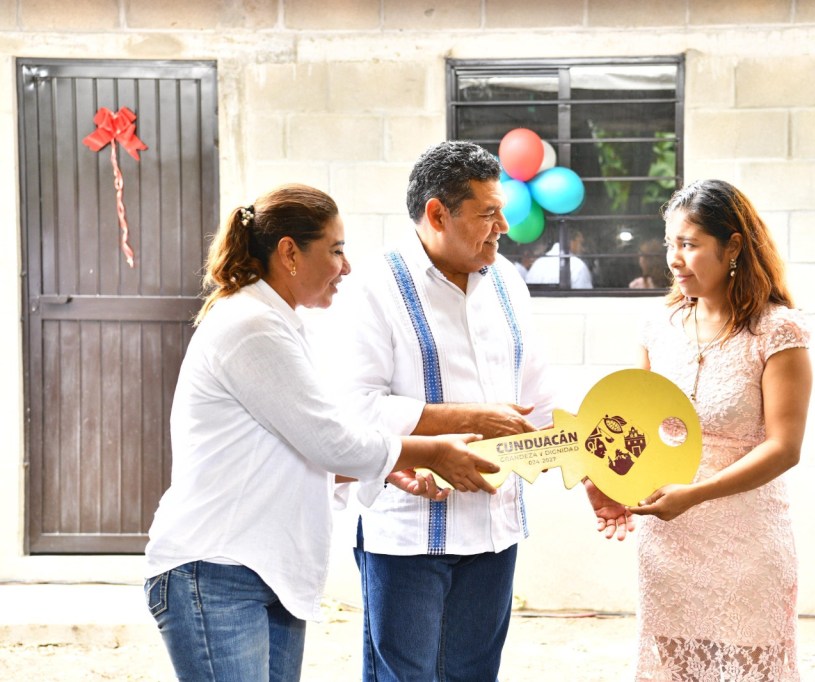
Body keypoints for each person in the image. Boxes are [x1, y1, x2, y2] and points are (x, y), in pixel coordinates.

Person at [143, 184, 498, 682]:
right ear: (289, 252)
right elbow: (331, 441)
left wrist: (389, 467)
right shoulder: (251, 326)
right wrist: (433, 451)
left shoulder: (281, 324)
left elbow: (292, 453)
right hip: (217, 569)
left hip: (260, 570)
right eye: (335, 250)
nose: (346, 267)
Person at [333, 141, 557, 682]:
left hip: (495, 527)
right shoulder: (373, 287)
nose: (504, 225)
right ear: (438, 214)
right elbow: (356, 409)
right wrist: (475, 418)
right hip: (409, 532)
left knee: (474, 675)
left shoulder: (507, 281)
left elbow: (537, 392)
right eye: (487, 213)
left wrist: (581, 461)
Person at [586, 179, 813, 681]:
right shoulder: (656, 327)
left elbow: (784, 447)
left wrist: (694, 494)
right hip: (667, 544)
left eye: (688, 244)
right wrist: (602, 480)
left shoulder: (779, 331)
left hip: (748, 544)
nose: (673, 258)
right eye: (670, 243)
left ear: (732, 246)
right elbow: (630, 428)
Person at [525, 227, 593, 288]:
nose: (582, 249)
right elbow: (584, 298)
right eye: (581, 243)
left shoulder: (537, 264)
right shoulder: (578, 266)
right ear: (573, 241)